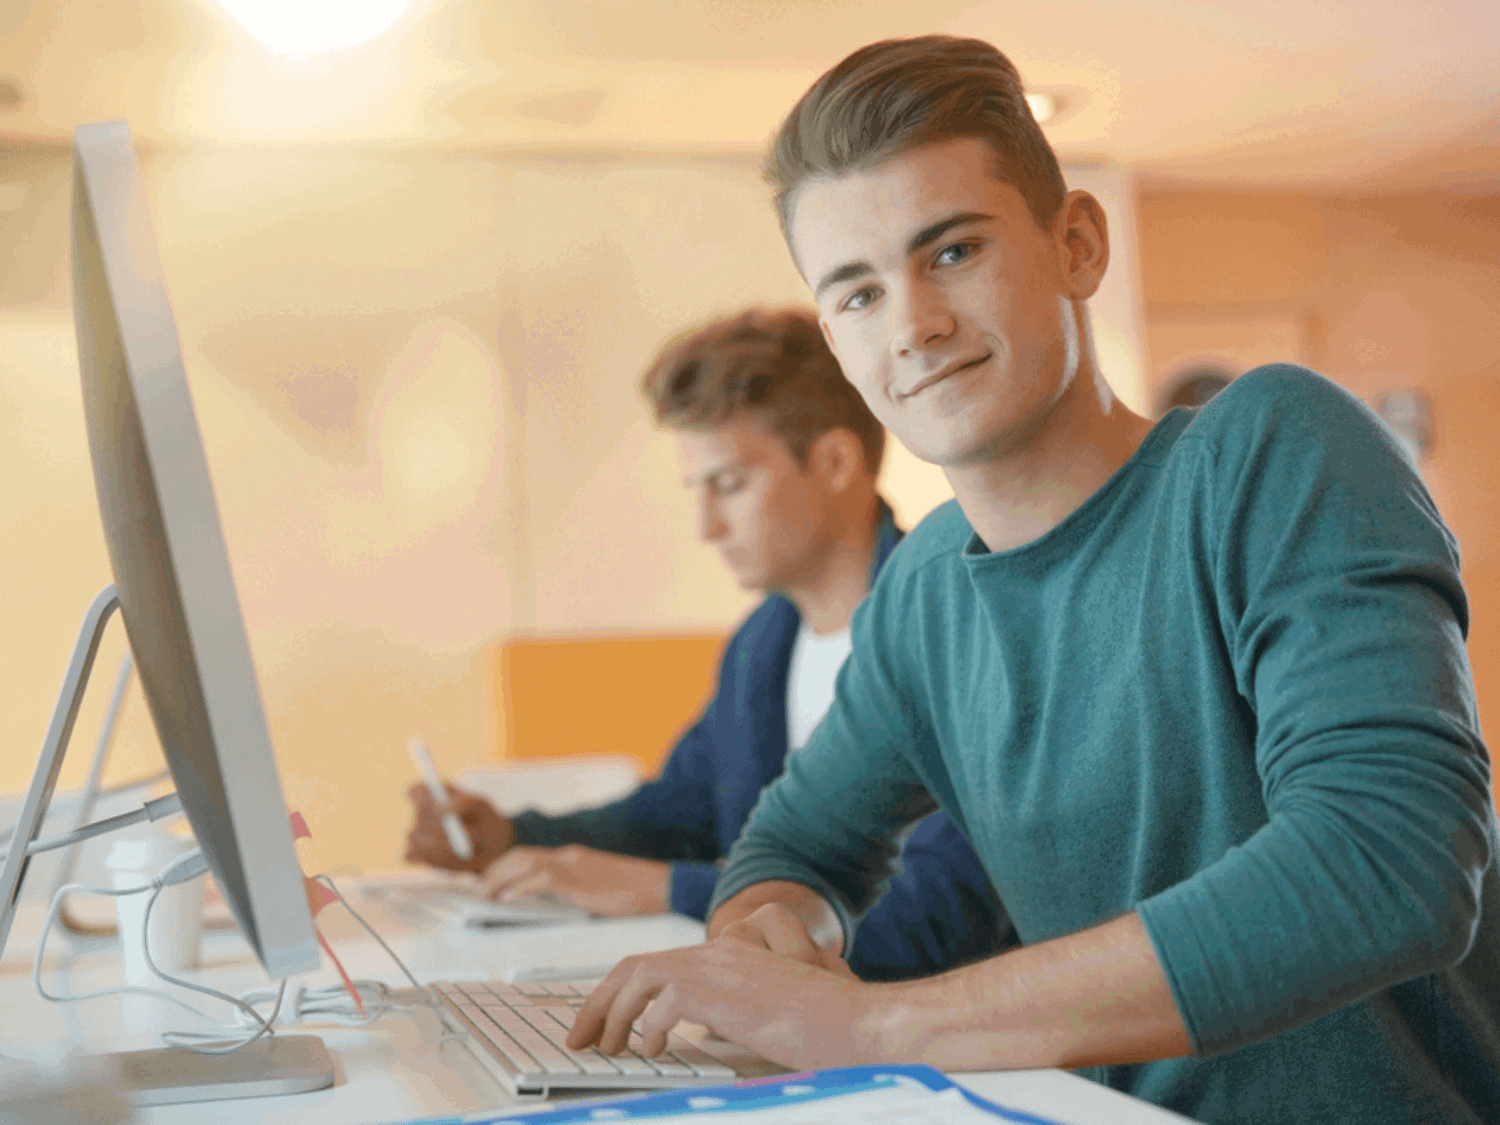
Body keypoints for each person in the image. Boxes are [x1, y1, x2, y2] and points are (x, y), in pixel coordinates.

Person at [566, 36, 1500, 1125]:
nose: (911, 323)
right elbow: (797, 846)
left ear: (1078, 246)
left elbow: (1390, 859)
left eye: (952, 252)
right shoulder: (923, 589)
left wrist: (874, 1027)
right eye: (857, 293)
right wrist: (769, 949)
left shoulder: (1270, 449)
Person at [405, 307, 1012, 982]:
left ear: (837, 461)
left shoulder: (958, 627)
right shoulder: (762, 643)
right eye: (696, 491)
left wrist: (668, 890)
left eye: (729, 484)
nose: (706, 526)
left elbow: (929, 922)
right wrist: (513, 835)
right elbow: (677, 812)